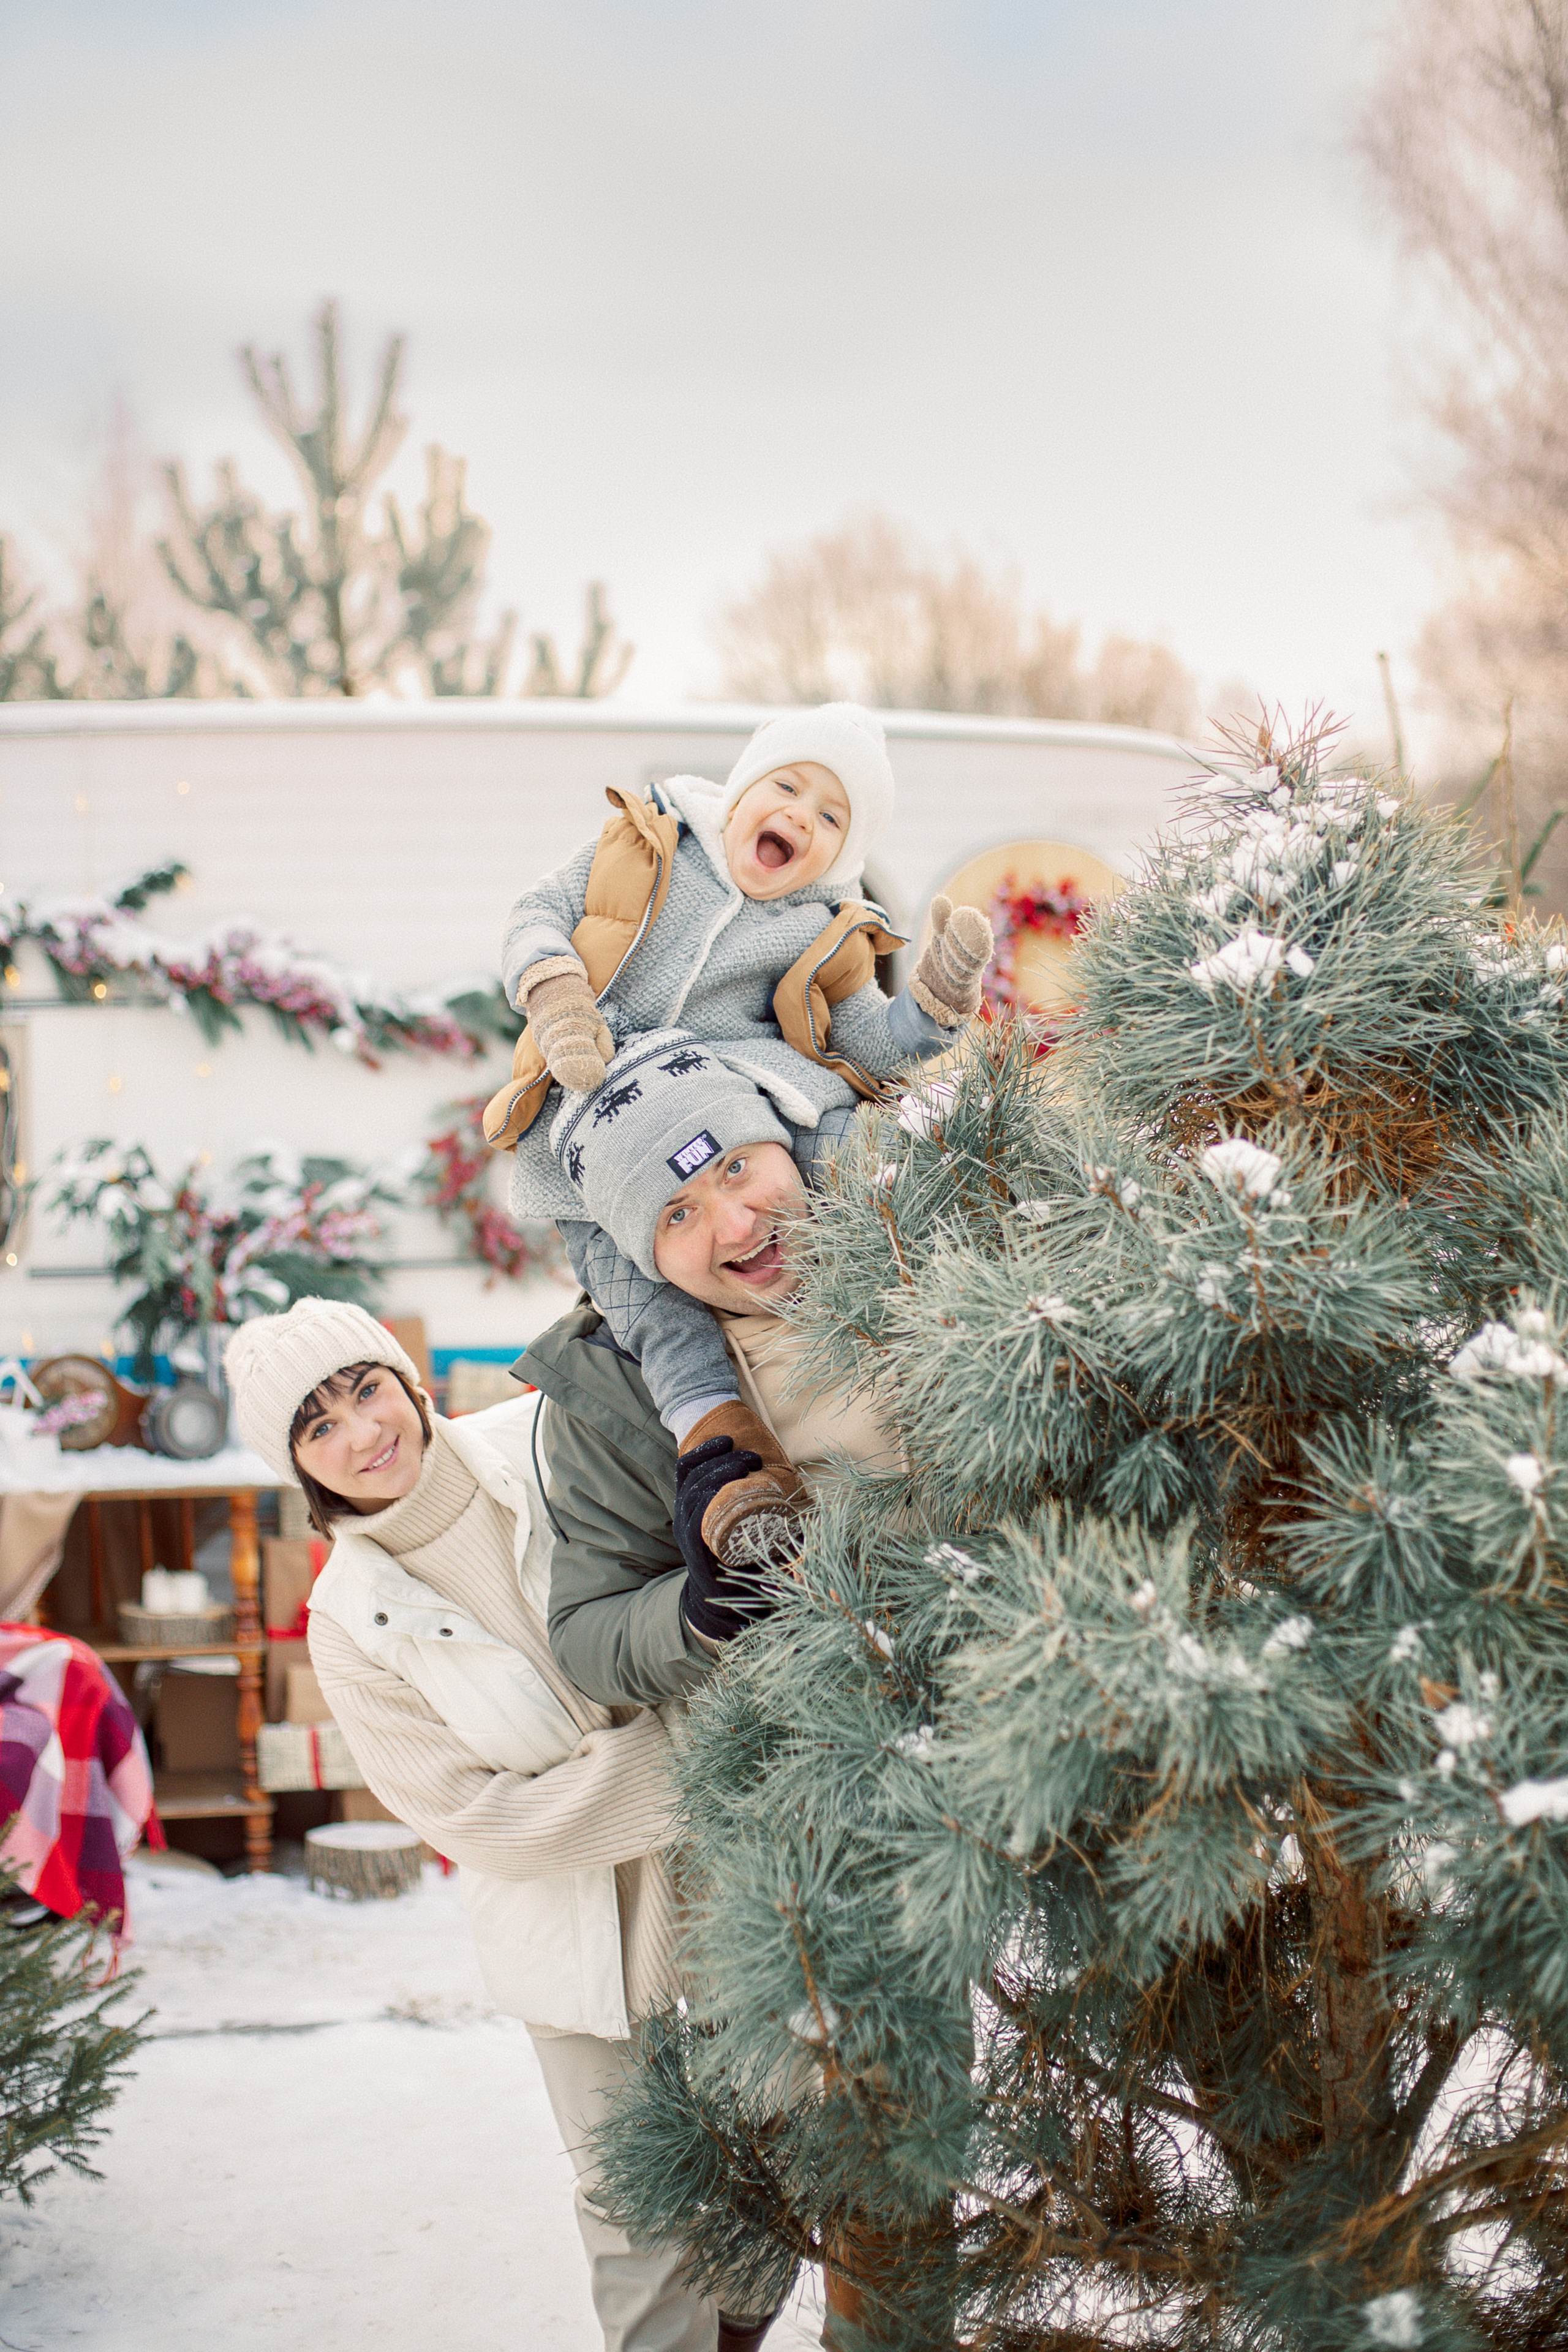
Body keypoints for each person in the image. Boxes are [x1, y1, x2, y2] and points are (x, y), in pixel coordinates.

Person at [222, 1298, 777, 2352]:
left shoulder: (539, 1440)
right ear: (299, 1468)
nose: (362, 1433)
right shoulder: (349, 1620)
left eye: (365, 1390)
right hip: (574, 1927)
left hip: (734, 1858)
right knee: (637, 2202)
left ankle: (742, 2320)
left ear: (407, 1381)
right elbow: (472, 1814)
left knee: (786, 2133)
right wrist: (680, 1760)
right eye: (319, 1427)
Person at [487, 701, 990, 1564]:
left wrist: (932, 1010)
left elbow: (861, 1039)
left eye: (832, 817)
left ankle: (961, 1313)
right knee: (654, 1313)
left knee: (853, 1158)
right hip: (593, 1124)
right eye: (788, 786)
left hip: (747, 1104)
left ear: (845, 852)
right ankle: (732, 1472)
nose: (801, 815)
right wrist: (556, 989)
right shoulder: (645, 844)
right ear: (743, 787)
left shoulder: (827, 925)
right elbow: (536, 910)